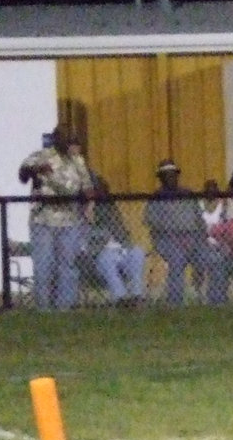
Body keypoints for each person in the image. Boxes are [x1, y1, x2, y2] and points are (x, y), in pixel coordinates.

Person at [18, 127, 95, 310]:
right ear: (56, 139)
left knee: (68, 265)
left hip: (70, 220)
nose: (69, 143)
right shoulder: (41, 156)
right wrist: (35, 169)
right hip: (43, 220)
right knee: (43, 265)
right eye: (65, 139)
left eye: (71, 140)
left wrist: (89, 203)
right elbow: (22, 175)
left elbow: (87, 186)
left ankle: (64, 308)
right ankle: (44, 309)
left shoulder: (77, 161)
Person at [144, 159, 227, 305]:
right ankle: (175, 304)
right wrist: (176, 236)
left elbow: (199, 221)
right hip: (167, 240)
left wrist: (200, 238)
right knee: (177, 259)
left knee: (216, 260)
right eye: (166, 175)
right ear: (161, 178)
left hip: (194, 240)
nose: (171, 177)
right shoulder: (156, 197)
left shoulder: (188, 194)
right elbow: (151, 221)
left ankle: (216, 301)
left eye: (173, 174)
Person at [83, 174, 147, 305]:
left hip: (120, 251)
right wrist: (89, 208)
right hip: (97, 257)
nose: (100, 192)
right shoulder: (79, 210)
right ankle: (121, 298)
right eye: (96, 189)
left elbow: (122, 233)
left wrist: (122, 242)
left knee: (137, 252)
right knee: (107, 257)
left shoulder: (110, 208)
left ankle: (137, 295)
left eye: (101, 188)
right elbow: (87, 235)